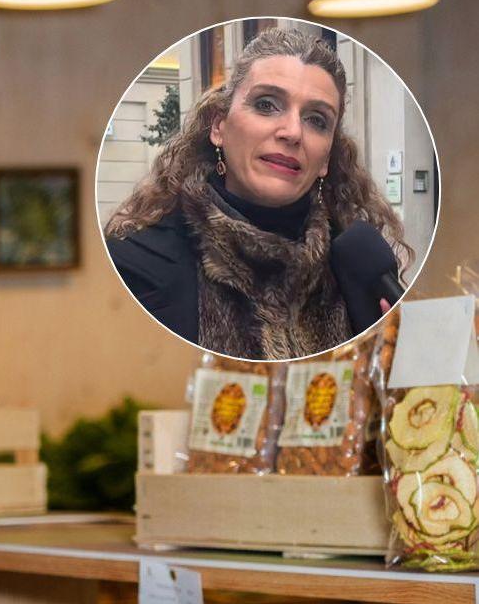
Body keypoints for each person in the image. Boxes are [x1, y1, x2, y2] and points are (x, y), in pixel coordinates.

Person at [105, 27, 411, 360]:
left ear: (326, 159)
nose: (293, 132)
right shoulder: (136, 270)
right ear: (219, 127)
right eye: (266, 105)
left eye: (317, 120)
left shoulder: (358, 272)